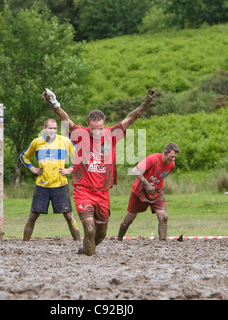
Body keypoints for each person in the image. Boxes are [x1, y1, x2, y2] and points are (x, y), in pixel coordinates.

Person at [43, 86, 156, 256]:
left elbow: (130, 118)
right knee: (89, 228)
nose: (96, 132)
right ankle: (89, 263)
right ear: (88, 126)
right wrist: (54, 103)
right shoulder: (80, 134)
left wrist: (145, 102)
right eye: (93, 129)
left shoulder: (112, 133)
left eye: (99, 128)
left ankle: (85, 251)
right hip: (83, 189)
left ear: (104, 126)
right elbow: (65, 119)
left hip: (102, 192)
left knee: (100, 234)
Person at [20, 118, 81, 241]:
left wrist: (70, 169)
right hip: (42, 185)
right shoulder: (36, 142)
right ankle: (24, 244)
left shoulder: (64, 141)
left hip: (60, 184)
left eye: (54, 128)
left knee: (69, 215)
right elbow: (23, 156)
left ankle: (78, 242)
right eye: (50, 128)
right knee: (33, 215)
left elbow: (79, 155)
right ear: (44, 128)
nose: (52, 130)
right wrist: (32, 168)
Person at [118, 143, 179, 241]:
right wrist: (147, 184)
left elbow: (160, 177)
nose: (173, 160)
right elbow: (135, 170)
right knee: (129, 218)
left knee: (163, 216)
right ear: (165, 153)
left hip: (157, 192)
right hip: (140, 191)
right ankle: (119, 239)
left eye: (175, 157)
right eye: (171, 157)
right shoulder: (153, 159)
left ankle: (162, 243)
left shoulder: (171, 164)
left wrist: (154, 187)